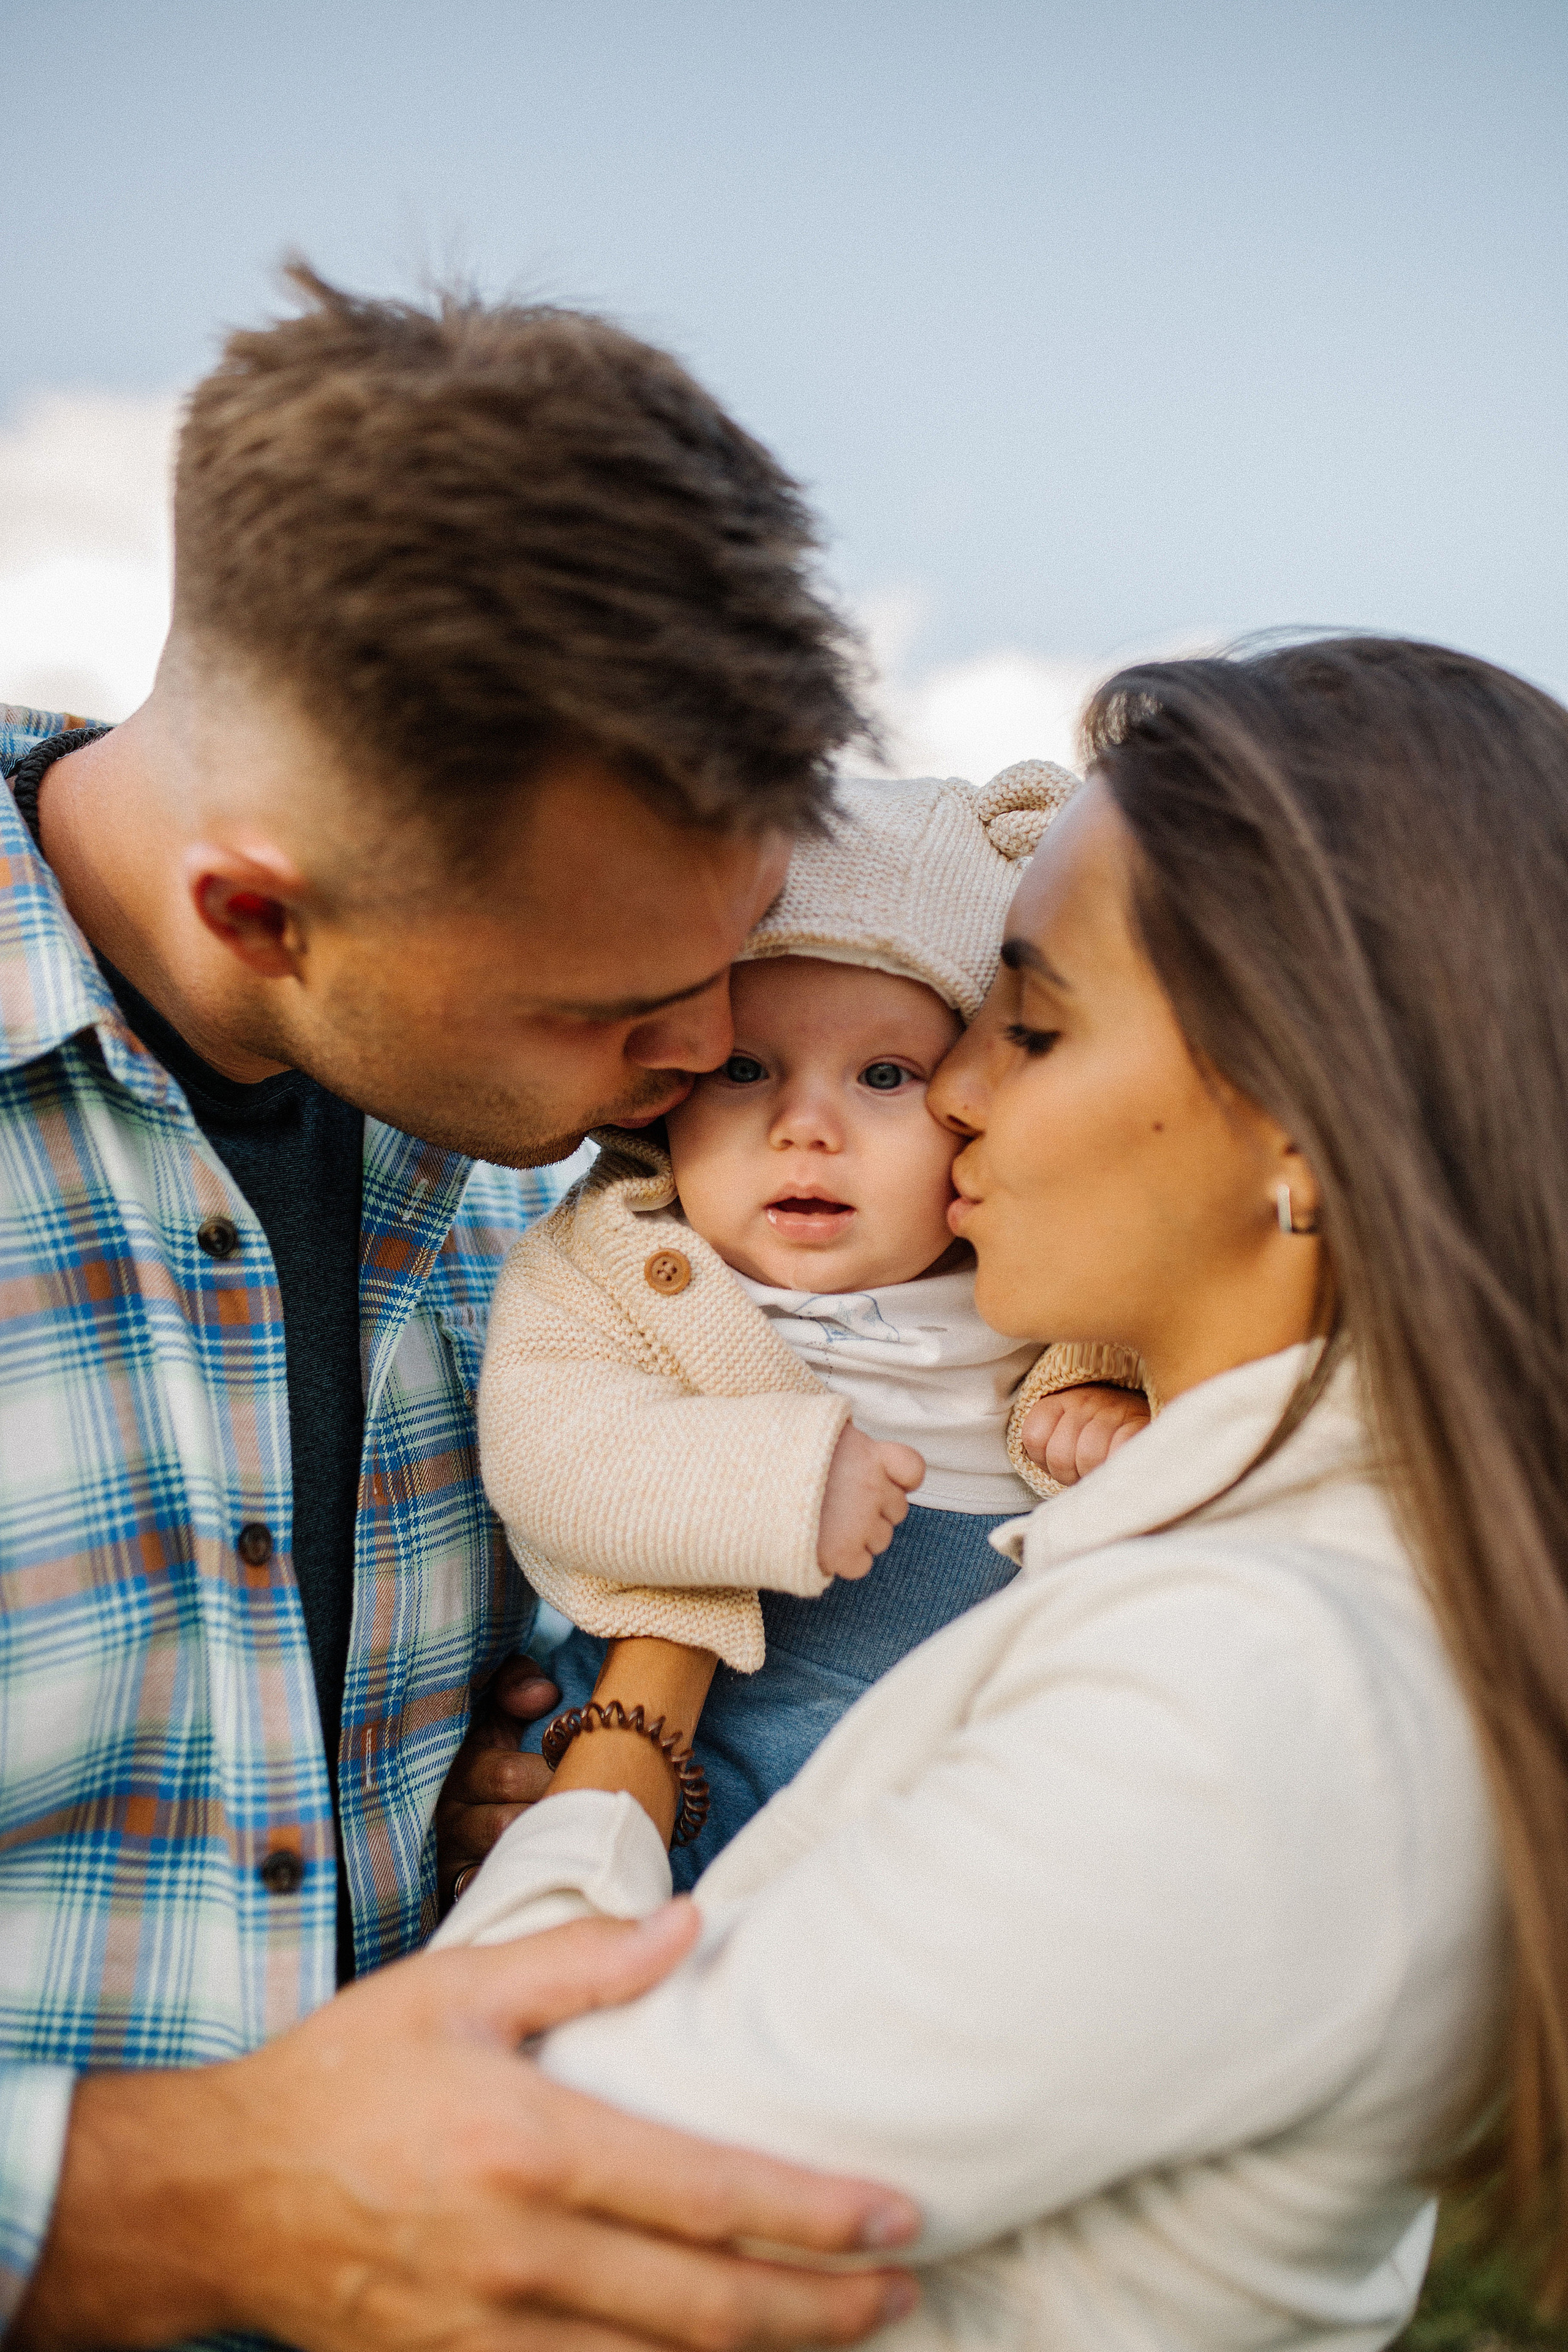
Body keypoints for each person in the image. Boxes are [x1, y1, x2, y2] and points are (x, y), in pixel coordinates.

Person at [435, 636, 1568, 2347]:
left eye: (1028, 1027)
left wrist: (625, 1738)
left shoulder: (1246, 1696)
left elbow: (484, 2192)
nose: (956, 1093)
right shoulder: (1238, 1583)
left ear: (1301, 1132)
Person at [0, 269, 928, 2349]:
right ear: (261, 910)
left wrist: (525, 1777)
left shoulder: (574, 1173)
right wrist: (180, 2207)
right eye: (615, 1006)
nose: (702, 1057)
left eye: (739, 947)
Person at [472, 762, 1150, 1886]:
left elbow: (1194, 1324)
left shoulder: (1037, 1271)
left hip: (956, 1777)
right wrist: (777, 1479)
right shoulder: (620, 1256)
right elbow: (545, 1448)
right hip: (699, 1763)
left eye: (884, 1075)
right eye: (745, 1069)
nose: (805, 1126)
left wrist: (1120, 1397)